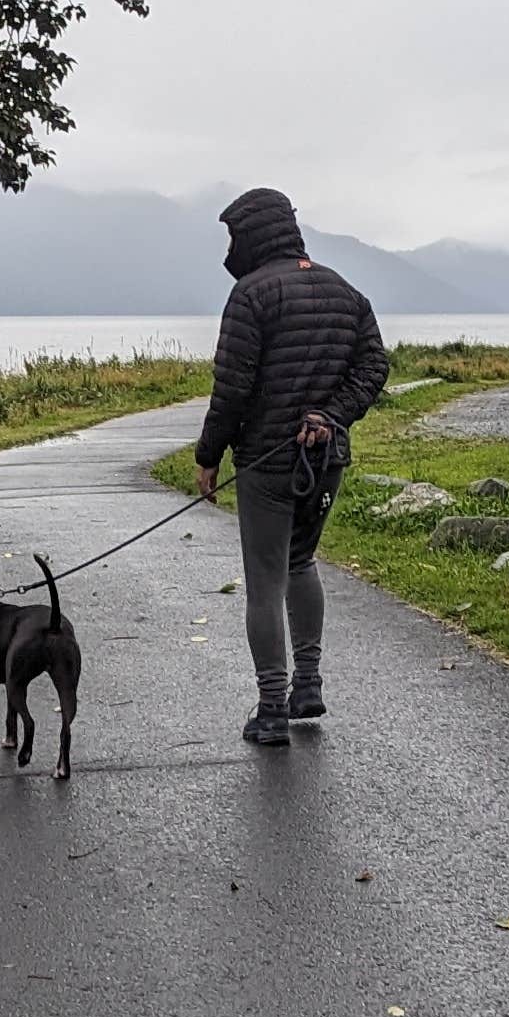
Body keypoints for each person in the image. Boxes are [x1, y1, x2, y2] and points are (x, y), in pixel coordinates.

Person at [191, 186, 390, 747]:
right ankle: (308, 684)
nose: (229, 248)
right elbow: (375, 364)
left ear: (253, 234)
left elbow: (231, 390)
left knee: (264, 580)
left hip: (268, 461)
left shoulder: (251, 296)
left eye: (233, 236)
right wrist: (333, 415)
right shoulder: (344, 290)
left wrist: (208, 456)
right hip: (325, 460)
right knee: (301, 561)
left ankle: (272, 708)